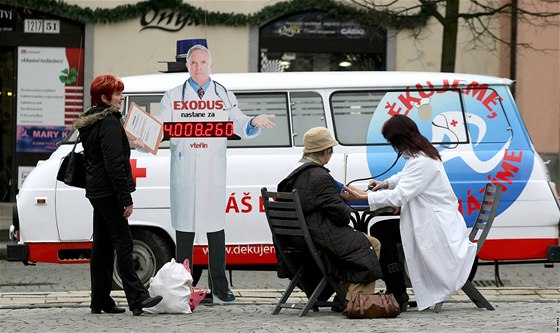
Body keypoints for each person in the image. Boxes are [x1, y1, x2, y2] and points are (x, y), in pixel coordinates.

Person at [155, 43, 275, 303]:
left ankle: (219, 289)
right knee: (184, 232)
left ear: (210, 65)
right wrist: (142, 135)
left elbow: (238, 121)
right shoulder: (173, 95)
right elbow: (158, 127)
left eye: (203, 63)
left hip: (212, 172)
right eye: (193, 63)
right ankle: (181, 288)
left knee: (215, 230)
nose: (198, 67)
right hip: (184, 172)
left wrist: (254, 121)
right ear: (187, 66)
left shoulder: (223, 94)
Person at [341, 114, 477, 311]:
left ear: (399, 140)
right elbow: (406, 176)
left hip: (436, 227)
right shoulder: (423, 155)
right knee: (382, 229)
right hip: (432, 220)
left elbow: (400, 196)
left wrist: (363, 198)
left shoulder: (421, 161)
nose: (393, 147)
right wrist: (385, 183)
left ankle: (397, 293)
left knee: (382, 231)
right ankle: (397, 291)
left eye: (392, 142)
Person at [74, 74, 163, 316]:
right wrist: (126, 198)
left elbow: (102, 156)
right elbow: (114, 164)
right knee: (123, 244)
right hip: (110, 192)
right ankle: (138, 298)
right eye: (117, 93)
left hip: (96, 191)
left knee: (102, 246)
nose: (121, 97)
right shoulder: (110, 123)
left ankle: (100, 300)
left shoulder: (92, 122)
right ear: (104, 97)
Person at [277, 127, 382, 301]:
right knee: (372, 244)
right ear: (326, 151)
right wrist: (342, 202)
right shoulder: (320, 177)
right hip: (321, 240)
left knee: (360, 243)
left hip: (299, 240)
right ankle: (356, 299)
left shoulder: (295, 175)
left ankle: (343, 297)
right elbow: (343, 216)